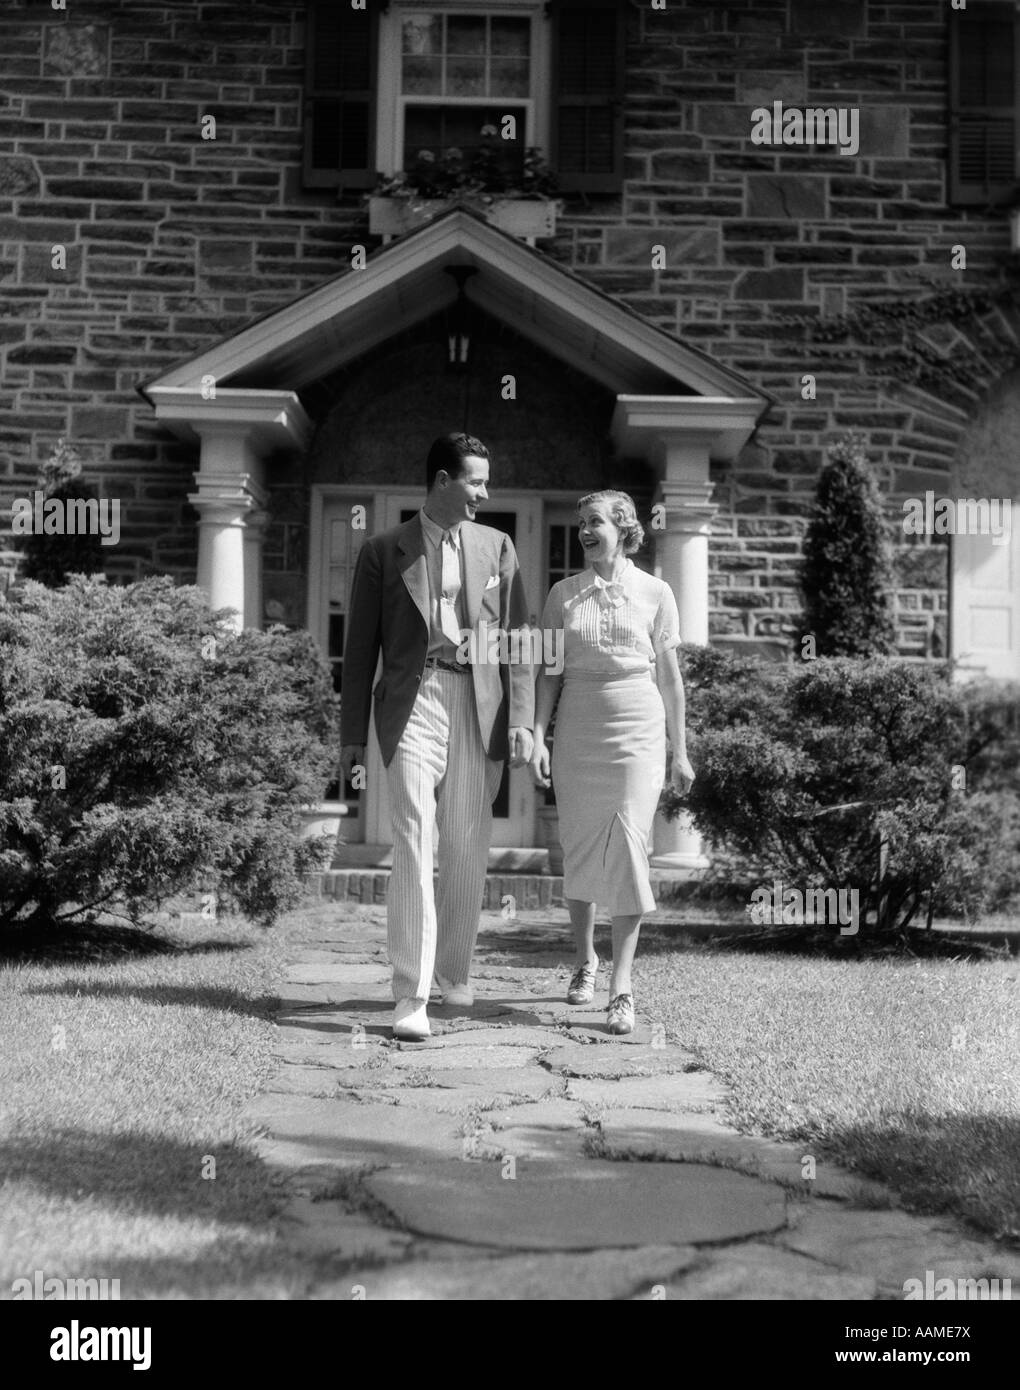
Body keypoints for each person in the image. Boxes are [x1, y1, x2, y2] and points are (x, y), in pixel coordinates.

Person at [340, 434, 534, 1041]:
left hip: (479, 704)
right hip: (414, 700)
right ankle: (409, 993)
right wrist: (350, 736)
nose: (485, 492)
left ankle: (454, 971)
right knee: (415, 842)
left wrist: (524, 719)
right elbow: (358, 649)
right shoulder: (382, 550)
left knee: (468, 846)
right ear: (443, 480)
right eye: (476, 481)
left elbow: (520, 641)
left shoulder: (498, 547)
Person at [530, 490, 695, 1035]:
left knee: (629, 845)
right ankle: (585, 961)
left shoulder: (657, 591)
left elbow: (669, 678)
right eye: (580, 522)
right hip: (577, 727)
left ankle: (621, 986)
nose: (584, 530)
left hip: (637, 727)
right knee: (578, 844)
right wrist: (537, 735)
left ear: (623, 528)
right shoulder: (563, 595)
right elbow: (549, 673)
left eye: (594, 521)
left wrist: (682, 750)